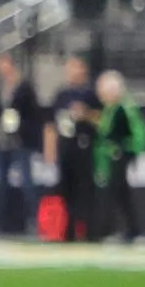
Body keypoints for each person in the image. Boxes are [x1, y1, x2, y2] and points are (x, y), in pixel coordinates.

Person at [45, 57, 99, 243]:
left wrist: (86, 114)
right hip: (65, 147)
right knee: (65, 191)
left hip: (83, 147)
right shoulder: (62, 94)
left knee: (84, 190)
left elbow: (101, 121)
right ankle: (67, 231)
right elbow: (52, 123)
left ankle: (88, 230)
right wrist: (50, 150)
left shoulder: (90, 94)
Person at [93, 71, 145, 243]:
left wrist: (128, 151)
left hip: (120, 154)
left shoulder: (123, 108)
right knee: (122, 193)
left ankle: (106, 230)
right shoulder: (112, 109)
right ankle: (132, 229)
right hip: (114, 155)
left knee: (114, 192)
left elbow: (135, 133)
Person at [0, 55, 42, 235]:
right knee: (1, 183)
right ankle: (0, 222)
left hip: (21, 141)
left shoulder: (24, 87)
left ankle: (35, 220)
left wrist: (21, 130)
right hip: (3, 141)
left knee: (27, 182)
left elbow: (32, 114)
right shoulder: (1, 86)